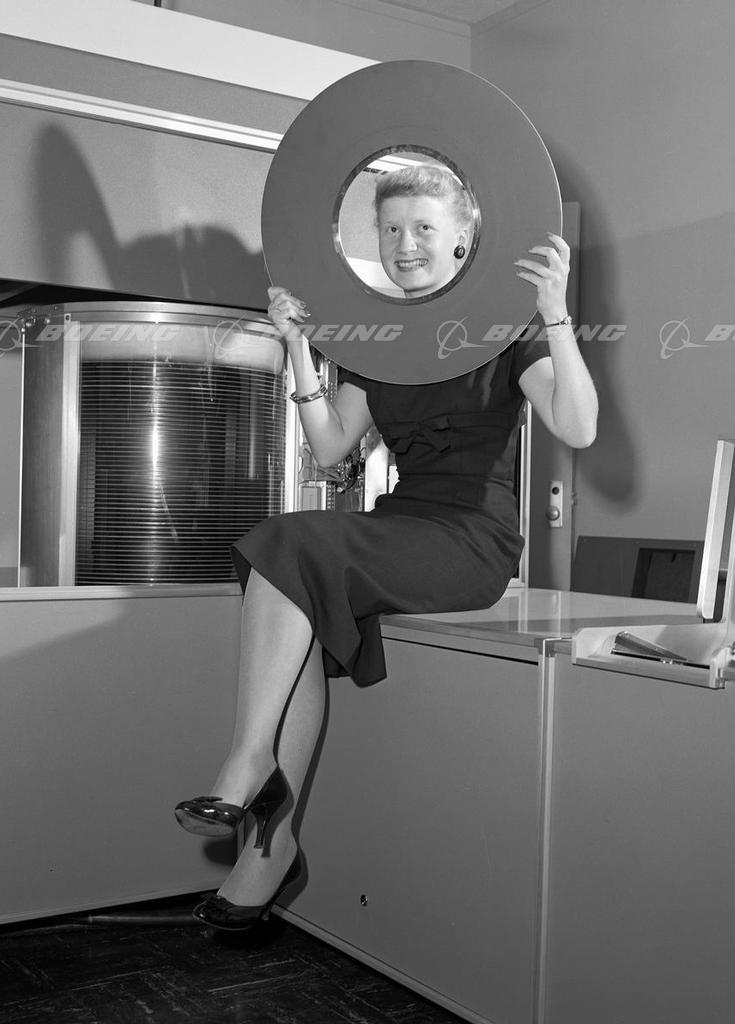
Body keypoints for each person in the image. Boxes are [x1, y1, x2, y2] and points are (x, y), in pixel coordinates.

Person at [175, 164, 598, 930]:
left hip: (470, 539)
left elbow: (578, 426)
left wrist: (555, 314)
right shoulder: (381, 343)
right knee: (291, 576)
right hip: (399, 521)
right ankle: (269, 845)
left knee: (288, 545)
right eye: (392, 228)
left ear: (462, 238)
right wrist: (296, 346)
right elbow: (331, 447)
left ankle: (249, 763)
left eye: (424, 228)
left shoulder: (510, 332)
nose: (405, 244)